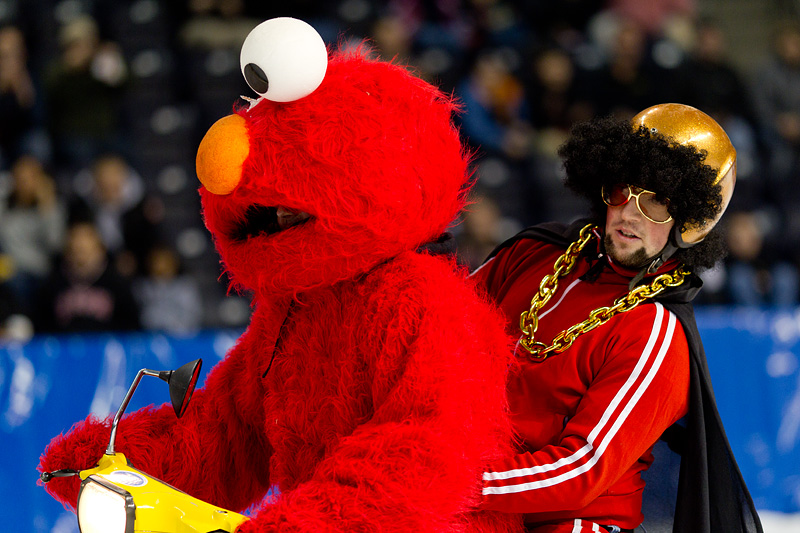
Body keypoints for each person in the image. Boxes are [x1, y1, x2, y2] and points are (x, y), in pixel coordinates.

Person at [471, 103, 762, 532]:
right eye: (622, 191)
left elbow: (582, 469)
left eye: (657, 204)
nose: (629, 213)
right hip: (472, 499)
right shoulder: (534, 252)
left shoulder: (655, 333)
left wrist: (457, 482)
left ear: (690, 222)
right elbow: (437, 325)